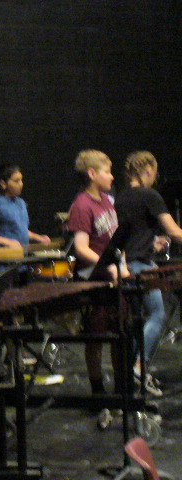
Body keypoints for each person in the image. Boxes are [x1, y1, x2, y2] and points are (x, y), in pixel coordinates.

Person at [115, 151, 182, 395]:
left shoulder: (121, 197)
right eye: (154, 172)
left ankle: (134, 371)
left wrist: (152, 242)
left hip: (127, 264)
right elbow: (174, 231)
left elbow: (130, 234)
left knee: (138, 321)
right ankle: (139, 367)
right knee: (158, 316)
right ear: (147, 170)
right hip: (142, 266)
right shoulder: (150, 195)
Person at [67, 149, 128, 397]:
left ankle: (122, 389)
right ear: (92, 173)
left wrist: (122, 264)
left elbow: (114, 239)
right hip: (94, 281)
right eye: (107, 171)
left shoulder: (107, 201)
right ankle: (98, 392)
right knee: (96, 338)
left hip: (113, 278)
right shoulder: (82, 205)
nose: (112, 177)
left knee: (120, 335)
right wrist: (108, 264)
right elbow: (81, 248)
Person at [0, 163, 51, 248]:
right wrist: (8, 242)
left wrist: (39, 237)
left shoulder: (21, 203)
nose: (21, 184)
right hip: (6, 254)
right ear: (3, 184)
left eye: (21, 180)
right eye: (16, 181)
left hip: (22, 253)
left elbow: (21, 231)